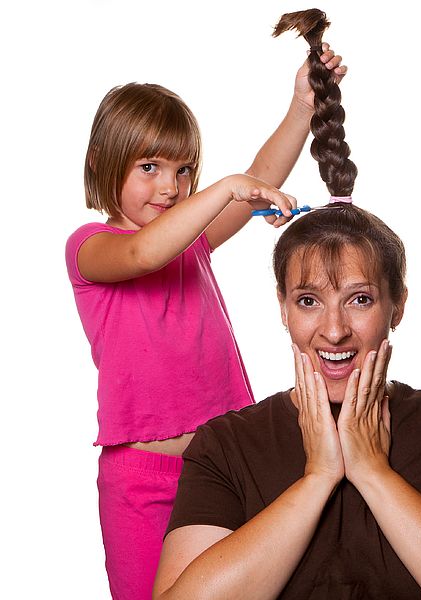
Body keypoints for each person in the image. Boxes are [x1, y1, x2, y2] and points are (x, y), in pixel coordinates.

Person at [153, 9, 421, 600]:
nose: (333, 331)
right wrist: (318, 478)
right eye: (309, 300)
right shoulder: (225, 447)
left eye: (359, 299)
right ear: (283, 309)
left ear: (398, 306)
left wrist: (372, 470)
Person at [65, 24, 347, 599]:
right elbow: (145, 252)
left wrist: (300, 108)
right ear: (103, 161)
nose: (170, 187)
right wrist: (221, 190)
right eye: (150, 167)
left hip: (225, 468)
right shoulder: (91, 247)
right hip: (142, 484)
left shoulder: (190, 242)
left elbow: (261, 180)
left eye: (183, 169)